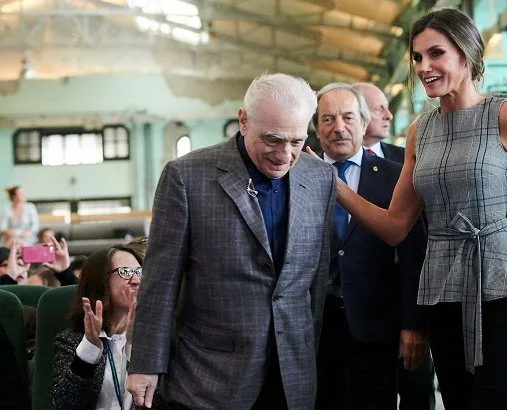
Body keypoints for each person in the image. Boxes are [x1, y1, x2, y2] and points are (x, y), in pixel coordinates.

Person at [311, 8, 507, 409]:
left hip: (500, 289)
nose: (424, 67)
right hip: (439, 293)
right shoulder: (422, 129)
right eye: (417, 57)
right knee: (456, 402)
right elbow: (395, 226)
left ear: (467, 54)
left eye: (435, 53)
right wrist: (330, 182)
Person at [127, 73, 336, 409]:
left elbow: (316, 280)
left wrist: (305, 350)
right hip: (209, 376)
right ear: (243, 121)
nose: (285, 154)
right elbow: (160, 280)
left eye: (296, 141)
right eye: (272, 139)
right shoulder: (186, 177)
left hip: (292, 376)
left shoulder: (321, 177)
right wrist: (146, 364)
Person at [312, 82, 429, 409]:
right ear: (315, 129)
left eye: (348, 117)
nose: (338, 128)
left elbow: (412, 257)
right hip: (314, 331)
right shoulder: (298, 176)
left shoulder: (395, 178)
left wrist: (413, 323)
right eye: (327, 119)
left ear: (365, 124)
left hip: (376, 328)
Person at [354, 81, 436, 410]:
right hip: (357, 322)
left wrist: (414, 320)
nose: (388, 114)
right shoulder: (317, 165)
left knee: (417, 394)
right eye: (378, 108)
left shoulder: (407, 160)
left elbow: (416, 248)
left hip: (404, 311)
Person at [51, 245, 166, 409]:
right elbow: (64, 405)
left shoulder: (160, 341)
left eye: (139, 271)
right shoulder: (72, 341)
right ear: (100, 282)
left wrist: (136, 346)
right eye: (125, 272)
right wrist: (89, 348)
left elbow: (161, 405)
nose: (136, 280)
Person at [353, 82, 405, 164]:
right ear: (355, 113)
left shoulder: (405, 159)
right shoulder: (328, 159)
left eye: (387, 108)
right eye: (379, 109)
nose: (389, 116)